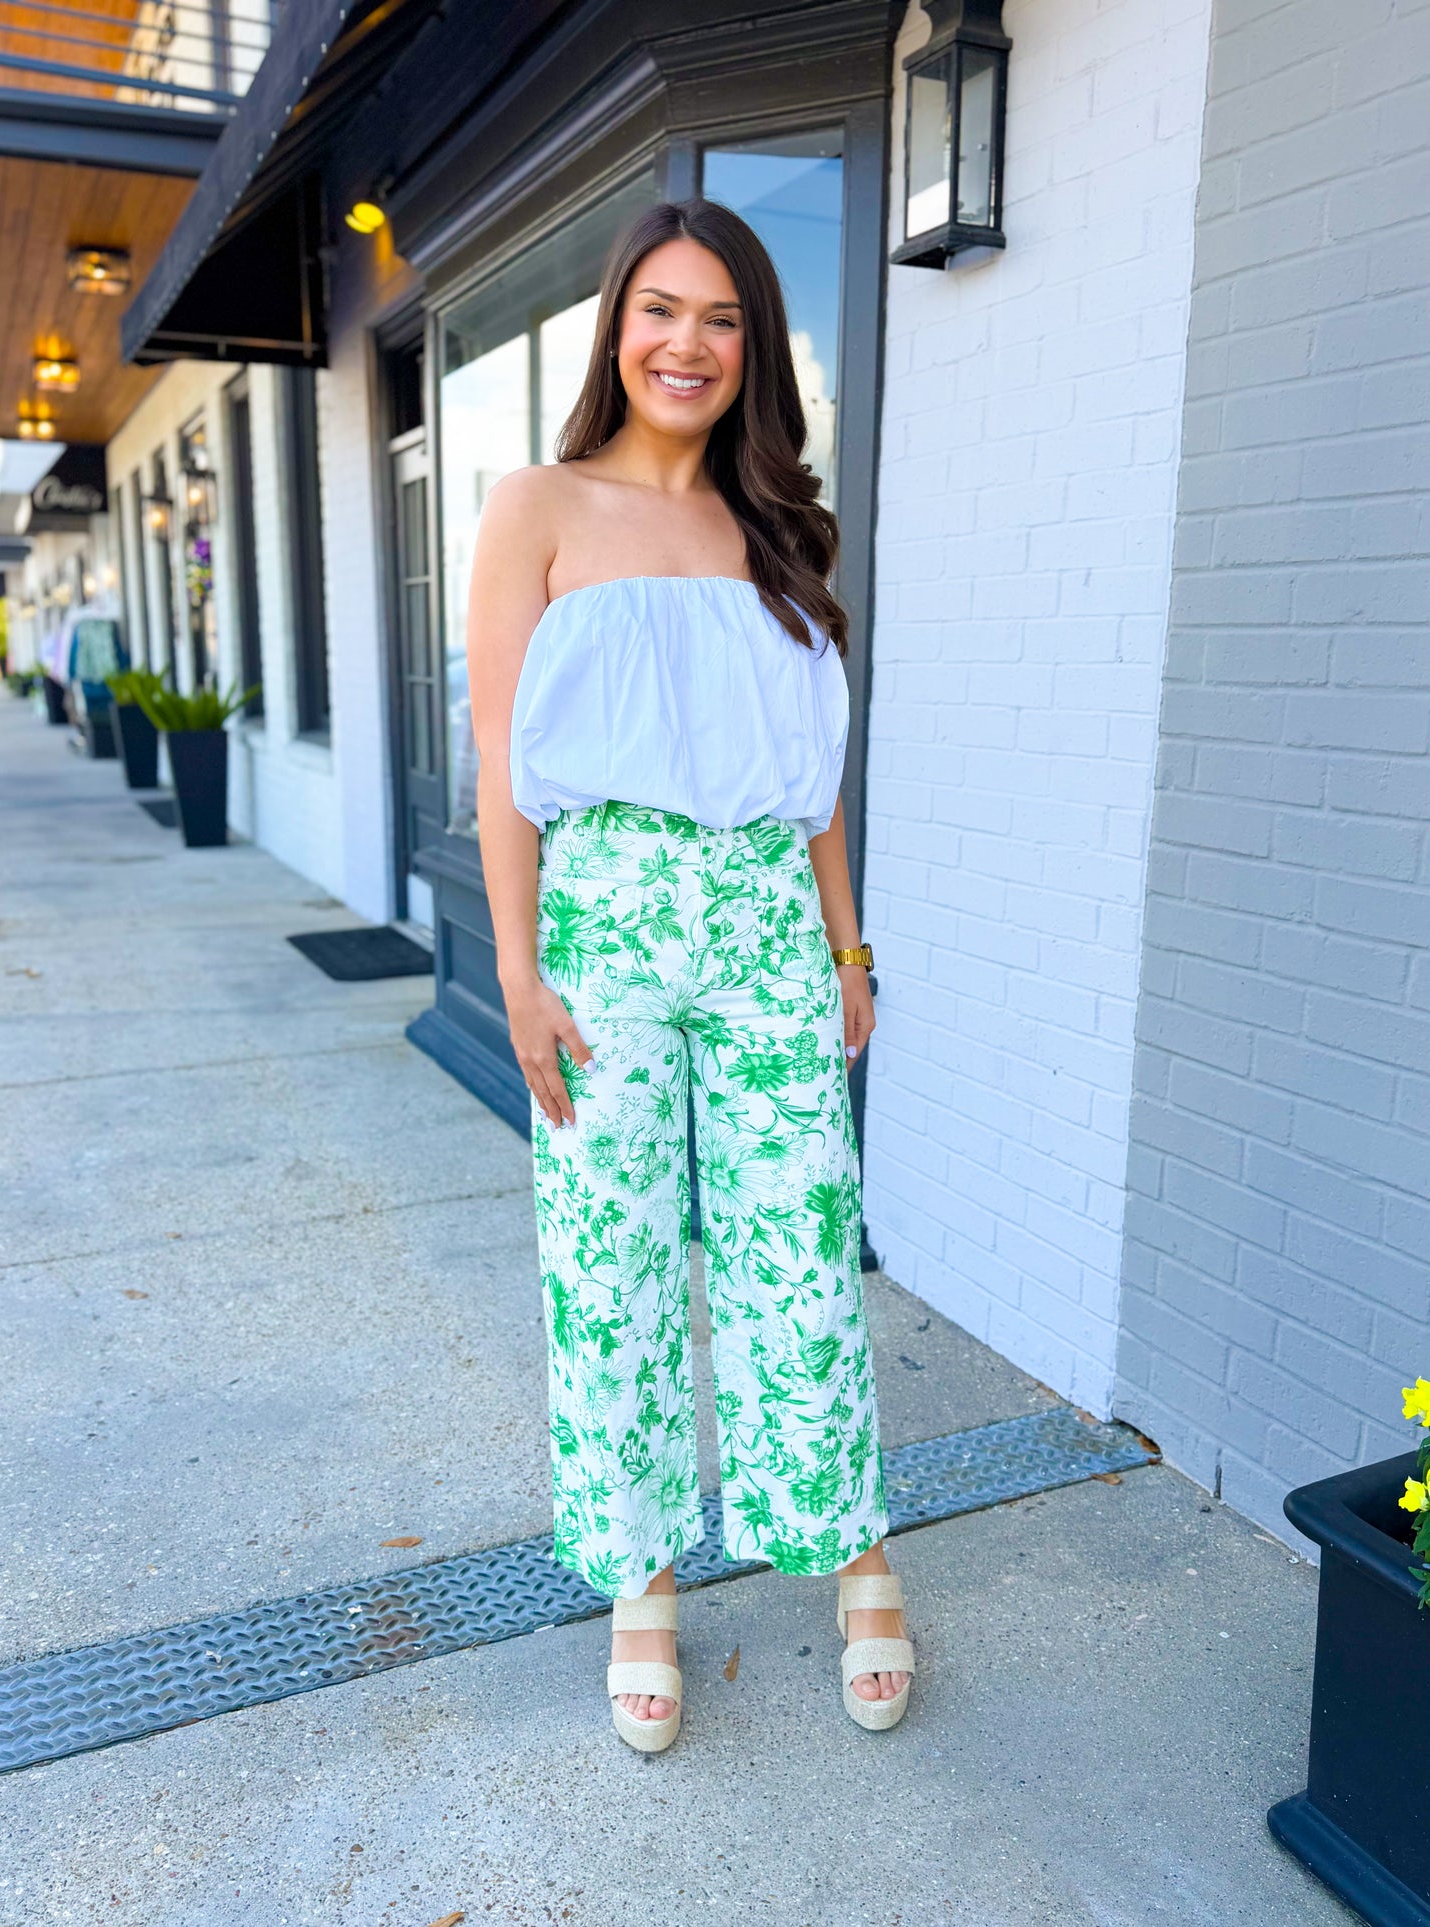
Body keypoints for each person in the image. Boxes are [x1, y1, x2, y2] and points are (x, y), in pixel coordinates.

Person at [466, 198, 915, 1752]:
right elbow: (502, 766)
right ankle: (640, 1581)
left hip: (768, 925)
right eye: (660, 309)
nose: (687, 343)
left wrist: (847, 945)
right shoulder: (536, 506)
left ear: (753, 349)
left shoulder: (777, 527)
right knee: (613, 1271)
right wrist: (517, 969)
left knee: (801, 1256)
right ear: (615, 328)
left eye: (721, 319)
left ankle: (853, 1551)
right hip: (601, 923)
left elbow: (815, 779)